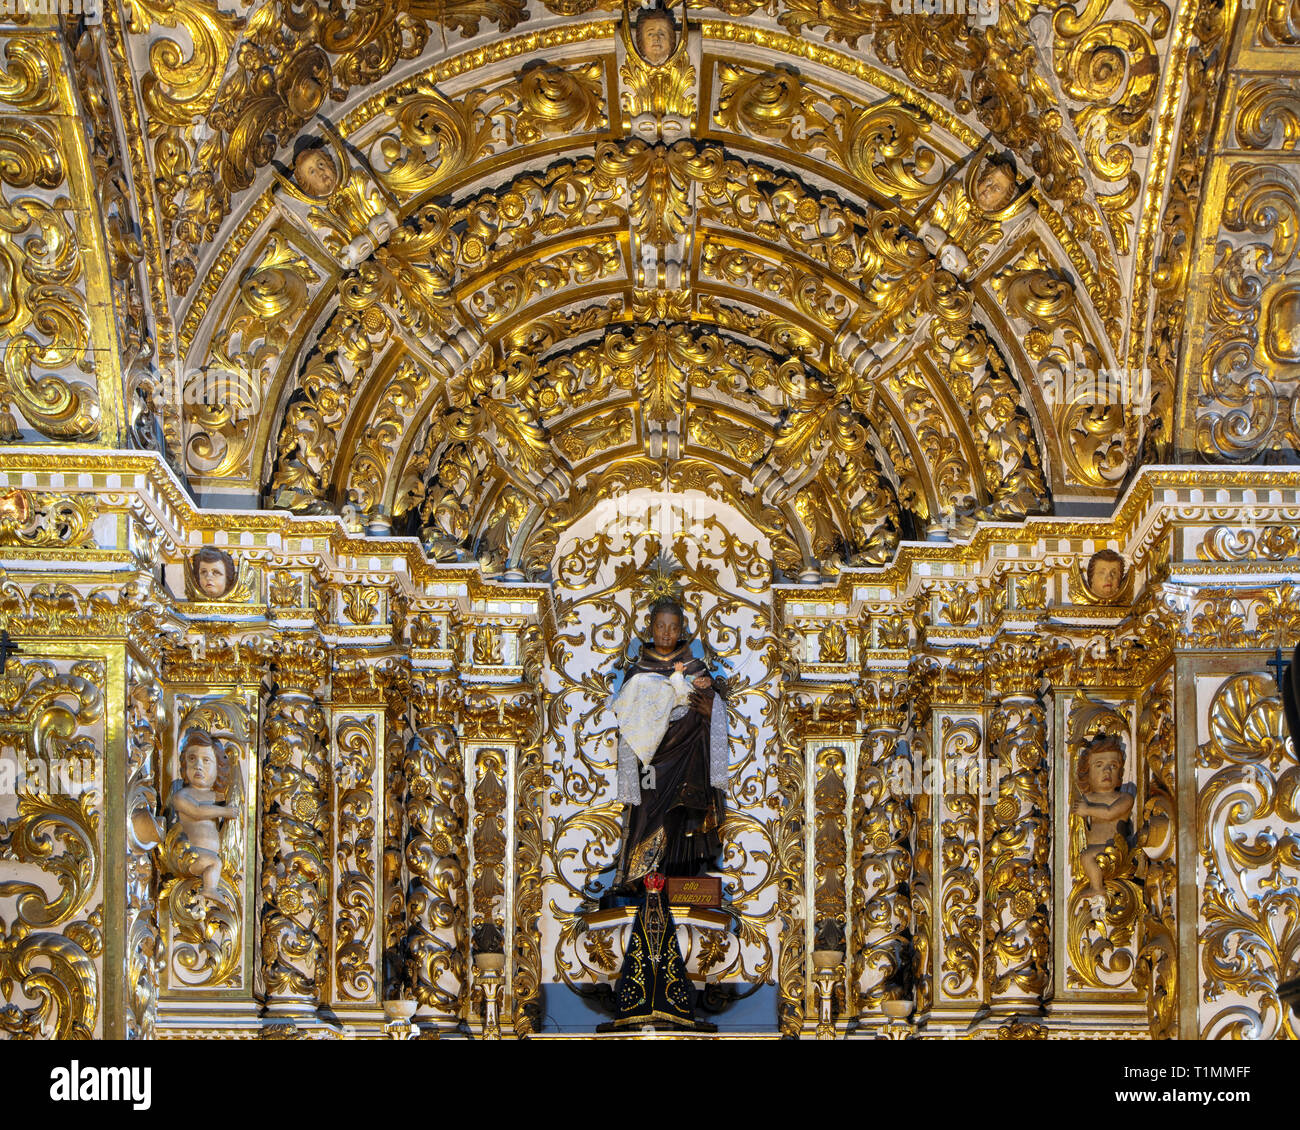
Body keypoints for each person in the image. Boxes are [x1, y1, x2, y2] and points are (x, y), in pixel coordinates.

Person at [611, 598, 727, 889]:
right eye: (660, 626)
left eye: (673, 627)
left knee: (681, 812)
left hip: (687, 756)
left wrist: (710, 700)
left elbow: (714, 711)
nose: (666, 633)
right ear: (650, 628)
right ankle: (638, 876)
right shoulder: (638, 668)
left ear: (681, 629)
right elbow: (627, 713)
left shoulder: (694, 666)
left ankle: (680, 876)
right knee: (647, 808)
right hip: (651, 757)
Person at [169, 729, 240, 896]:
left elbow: (233, 794)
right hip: (189, 855)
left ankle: (210, 889)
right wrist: (225, 811)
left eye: (206, 760)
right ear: (184, 764)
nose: (198, 766)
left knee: (214, 862)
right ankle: (209, 890)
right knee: (213, 862)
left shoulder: (214, 795)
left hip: (207, 854)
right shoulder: (182, 795)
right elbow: (197, 811)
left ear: (219, 768)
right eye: (192, 759)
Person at [1070, 734, 1133, 900]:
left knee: (1087, 856)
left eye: (1113, 766)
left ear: (1120, 774)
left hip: (1114, 850)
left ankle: (1097, 888)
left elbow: (1109, 813)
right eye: (1099, 765)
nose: (1107, 771)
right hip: (1093, 846)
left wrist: (1087, 810)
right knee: (1085, 856)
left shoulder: (1124, 798)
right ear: (1087, 774)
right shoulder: (1088, 798)